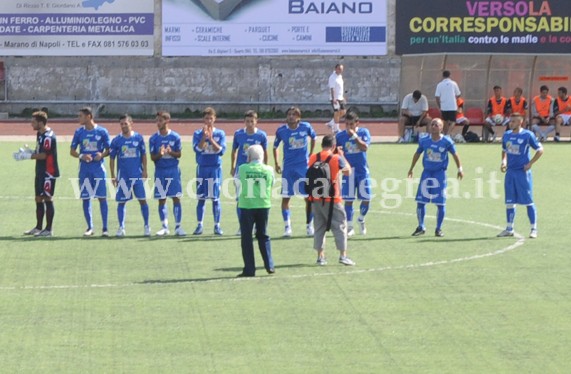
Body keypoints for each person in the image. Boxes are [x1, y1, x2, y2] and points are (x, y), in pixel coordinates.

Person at [408, 118, 464, 237]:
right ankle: (421, 226)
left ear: (441, 128)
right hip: (426, 174)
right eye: (432, 124)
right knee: (421, 201)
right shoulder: (424, 141)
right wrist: (411, 168)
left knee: (440, 203)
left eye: (436, 125)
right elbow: (417, 154)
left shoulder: (447, 141)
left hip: (440, 175)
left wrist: (460, 169)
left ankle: (438, 229)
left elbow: (455, 154)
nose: (433, 126)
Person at [308, 134, 355, 266]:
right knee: (340, 225)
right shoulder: (336, 158)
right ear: (333, 146)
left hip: (316, 197)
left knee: (319, 227)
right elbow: (348, 172)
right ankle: (343, 255)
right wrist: (341, 154)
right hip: (332, 198)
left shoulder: (313, 157)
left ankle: (320, 257)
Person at [497, 113, 543, 238]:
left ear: (520, 122)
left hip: (523, 174)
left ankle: (534, 229)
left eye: (513, 121)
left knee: (528, 202)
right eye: (510, 121)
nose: (510, 123)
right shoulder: (507, 135)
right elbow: (504, 150)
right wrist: (504, 162)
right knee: (510, 202)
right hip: (510, 173)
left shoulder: (528, 135)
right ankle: (509, 228)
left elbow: (540, 150)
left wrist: (530, 163)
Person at [14, 111, 60, 237]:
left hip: (48, 172)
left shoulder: (48, 137)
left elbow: (44, 155)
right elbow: (39, 151)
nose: (31, 124)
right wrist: (29, 151)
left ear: (41, 122)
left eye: (33, 122)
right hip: (40, 171)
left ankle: (48, 229)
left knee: (47, 198)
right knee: (38, 198)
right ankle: (39, 227)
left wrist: (27, 156)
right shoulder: (40, 134)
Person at [273, 106, 316, 237]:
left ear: (298, 117)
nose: (291, 117)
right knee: (286, 198)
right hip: (289, 168)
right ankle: (287, 227)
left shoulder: (305, 127)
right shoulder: (281, 131)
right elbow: (275, 146)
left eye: (294, 114)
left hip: (303, 168)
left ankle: (309, 226)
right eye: (289, 114)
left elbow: (314, 138)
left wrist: (311, 155)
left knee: (308, 198)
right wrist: (277, 162)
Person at [70, 107, 111, 236]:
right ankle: (90, 227)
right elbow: (72, 151)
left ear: (89, 116)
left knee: (102, 198)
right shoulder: (79, 132)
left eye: (81, 116)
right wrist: (81, 156)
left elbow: (109, 149)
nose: (79, 118)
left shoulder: (102, 131)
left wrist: (102, 155)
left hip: (98, 169)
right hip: (84, 169)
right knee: (86, 198)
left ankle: (105, 228)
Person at [236, 145, 275, 277]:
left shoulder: (242, 168)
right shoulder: (269, 170)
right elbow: (272, 183)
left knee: (246, 238)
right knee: (263, 235)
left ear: (249, 157)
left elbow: (237, 182)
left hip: (247, 205)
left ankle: (249, 269)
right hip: (263, 205)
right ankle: (269, 265)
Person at [109, 114, 150, 237]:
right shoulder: (116, 140)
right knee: (121, 202)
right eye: (121, 124)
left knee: (142, 200)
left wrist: (145, 170)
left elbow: (143, 155)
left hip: (137, 175)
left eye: (125, 123)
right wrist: (113, 175)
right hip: (123, 176)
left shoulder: (138, 138)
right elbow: (112, 159)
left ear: (131, 124)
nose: (123, 126)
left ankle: (147, 226)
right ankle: (121, 227)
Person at [230, 110, 268, 236]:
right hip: (242, 171)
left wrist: (265, 167)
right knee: (240, 199)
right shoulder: (239, 134)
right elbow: (234, 150)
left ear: (256, 121)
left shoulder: (262, 135)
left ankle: (258, 226)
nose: (250, 124)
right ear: (244, 122)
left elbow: (265, 152)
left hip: (257, 172)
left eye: (252, 121)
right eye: (247, 121)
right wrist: (233, 166)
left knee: (256, 198)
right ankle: (242, 226)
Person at [335, 111, 371, 237]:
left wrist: (354, 136)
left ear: (357, 123)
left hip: (362, 171)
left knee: (366, 199)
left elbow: (364, 148)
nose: (349, 127)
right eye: (347, 124)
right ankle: (349, 226)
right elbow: (337, 154)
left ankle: (361, 218)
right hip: (348, 172)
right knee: (349, 200)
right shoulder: (340, 136)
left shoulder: (363, 133)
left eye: (351, 124)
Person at [149, 111, 185, 236]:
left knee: (176, 198)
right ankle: (164, 227)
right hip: (160, 171)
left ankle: (178, 227)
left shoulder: (175, 137)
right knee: (161, 199)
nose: (157, 123)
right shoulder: (154, 138)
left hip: (173, 170)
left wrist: (171, 152)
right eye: (156, 121)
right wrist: (160, 154)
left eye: (160, 121)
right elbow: (153, 157)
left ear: (167, 121)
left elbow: (179, 154)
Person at [192, 107, 226, 235]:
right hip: (202, 169)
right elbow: (197, 149)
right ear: (203, 119)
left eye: (210, 118)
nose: (208, 121)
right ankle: (199, 224)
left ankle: (217, 225)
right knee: (201, 198)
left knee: (215, 198)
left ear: (214, 119)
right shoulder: (197, 133)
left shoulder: (220, 134)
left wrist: (211, 139)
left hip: (215, 168)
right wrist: (203, 138)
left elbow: (221, 151)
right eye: (206, 118)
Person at [435, 70, 461, 135]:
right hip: (452, 106)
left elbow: (437, 96)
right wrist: (453, 98)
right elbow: (458, 94)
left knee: (445, 121)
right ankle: (448, 134)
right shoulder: (454, 83)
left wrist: (439, 106)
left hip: (444, 106)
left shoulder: (439, 85)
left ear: (443, 76)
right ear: (450, 75)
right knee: (453, 121)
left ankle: (446, 134)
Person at [325, 64, 345, 133]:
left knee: (343, 112)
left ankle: (331, 123)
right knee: (336, 112)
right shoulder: (332, 77)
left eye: (342, 69)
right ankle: (336, 129)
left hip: (340, 97)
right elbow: (332, 88)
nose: (340, 70)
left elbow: (340, 88)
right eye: (339, 69)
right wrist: (334, 98)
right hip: (335, 98)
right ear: (336, 69)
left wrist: (343, 97)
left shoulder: (340, 76)